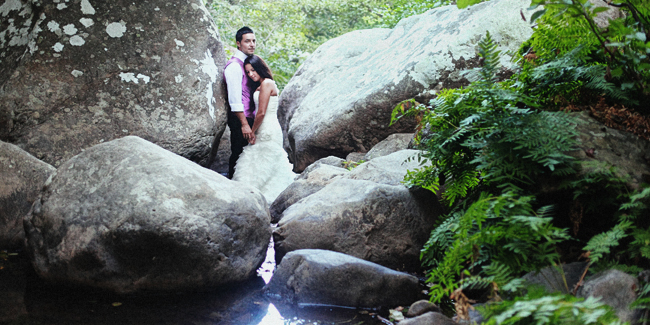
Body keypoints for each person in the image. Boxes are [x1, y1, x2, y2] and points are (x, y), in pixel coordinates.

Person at [231, 55, 297, 202]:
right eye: (248, 72)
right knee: (256, 161)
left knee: (265, 160)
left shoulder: (267, 83)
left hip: (268, 128)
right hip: (263, 126)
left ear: (260, 68)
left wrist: (252, 131)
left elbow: (261, 112)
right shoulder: (261, 84)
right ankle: (251, 195)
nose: (251, 74)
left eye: (253, 70)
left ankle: (267, 197)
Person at [224, 26, 256, 179]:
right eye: (247, 41)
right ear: (238, 44)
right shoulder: (235, 66)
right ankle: (233, 185)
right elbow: (234, 99)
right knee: (238, 153)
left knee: (247, 156)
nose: (252, 44)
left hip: (249, 117)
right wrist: (244, 123)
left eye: (254, 41)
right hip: (240, 118)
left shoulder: (247, 64)